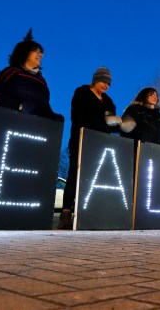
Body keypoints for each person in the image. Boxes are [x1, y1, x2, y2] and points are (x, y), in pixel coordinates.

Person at [59, 67, 131, 229]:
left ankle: (90, 212)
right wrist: (105, 122)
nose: (106, 85)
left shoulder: (108, 102)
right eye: (103, 81)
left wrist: (121, 125)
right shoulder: (82, 93)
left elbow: (110, 126)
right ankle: (66, 212)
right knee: (75, 174)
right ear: (95, 80)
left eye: (109, 83)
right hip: (81, 140)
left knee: (94, 179)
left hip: (100, 144)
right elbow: (79, 118)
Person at [0, 40, 63, 121]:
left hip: (33, 128)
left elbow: (44, 106)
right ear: (24, 52)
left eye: (41, 52)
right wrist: (18, 106)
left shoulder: (41, 81)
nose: (41, 55)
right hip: (7, 123)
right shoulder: (11, 72)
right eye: (36, 51)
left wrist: (53, 117)